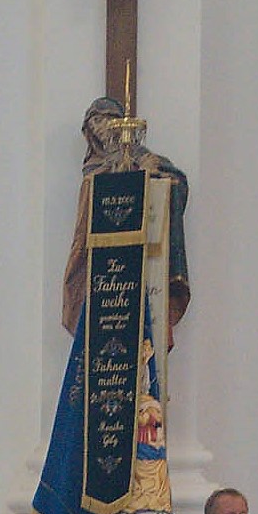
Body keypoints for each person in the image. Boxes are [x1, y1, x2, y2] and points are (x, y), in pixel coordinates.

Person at [61, 95, 190, 340]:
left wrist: (149, 174)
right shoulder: (91, 168)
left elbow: (174, 180)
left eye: (107, 119)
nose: (100, 126)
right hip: (99, 266)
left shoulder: (138, 155)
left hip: (136, 262)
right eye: (95, 121)